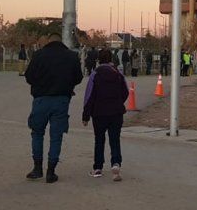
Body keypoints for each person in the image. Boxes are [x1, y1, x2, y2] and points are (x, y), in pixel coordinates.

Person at [24, 33, 84, 184]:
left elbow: (29, 77)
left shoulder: (38, 55)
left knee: (37, 133)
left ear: (48, 41)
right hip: (62, 100)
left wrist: (40, 84)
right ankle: (51, 171)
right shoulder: (71, 56)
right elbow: (78, 77)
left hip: (40, 100)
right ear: (61, 41)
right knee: (56, 136)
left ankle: (37, 168)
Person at [82, 49, 129, 181]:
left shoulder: (95, 74)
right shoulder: (118, 73)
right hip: (116, 112)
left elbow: (89, 96)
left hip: (99, 113)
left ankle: (98, 168)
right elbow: (125, 91)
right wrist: (118, 102)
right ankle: (116, 163)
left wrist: (86, 115)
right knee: (115, 139)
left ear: (98, 59)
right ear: (111, 59)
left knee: (99, 140)